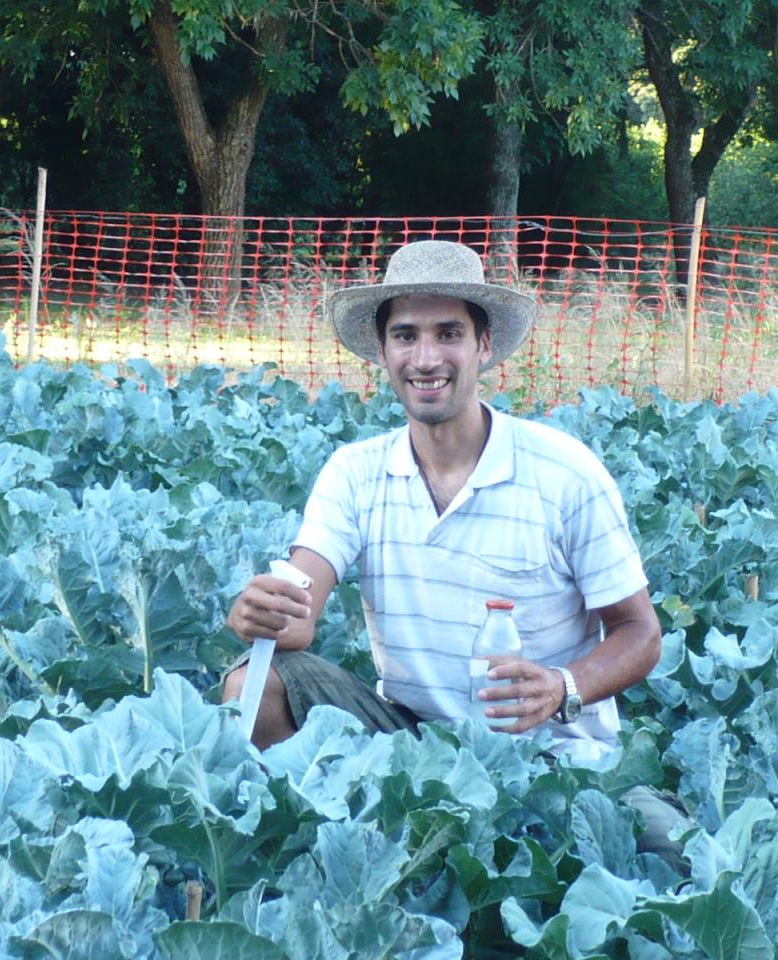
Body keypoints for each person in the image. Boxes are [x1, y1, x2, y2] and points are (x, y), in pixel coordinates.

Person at [223, 239, 685, 864]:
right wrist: (267, 613)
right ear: (383, 351)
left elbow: (641, 633)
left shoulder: (565, 474)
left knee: (682, 859)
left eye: (448, 333)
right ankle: (320, 860)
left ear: (483, 346)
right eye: (406, 336)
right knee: (253, 682)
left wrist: (563, 686)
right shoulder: (354, 473)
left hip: (554, 759)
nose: (426, 358)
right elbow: (301, 601)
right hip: (410, 746)